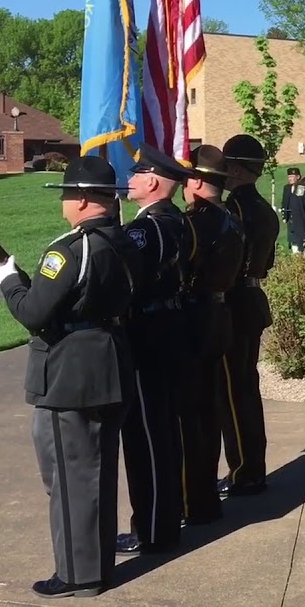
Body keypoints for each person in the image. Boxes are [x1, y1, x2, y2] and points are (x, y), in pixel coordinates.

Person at [0, 155, 141, 598]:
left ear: (79, 200)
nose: (64, 202)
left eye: (66, 194)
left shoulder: (68, 250)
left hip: (70, 375)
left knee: (68, 474)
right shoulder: (124, 242)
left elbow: (34, 312)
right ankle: (97, 564)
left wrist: (8, 281)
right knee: (96, 472)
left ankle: (78, 575)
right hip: (111, 362)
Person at [115, 148, 195, 558]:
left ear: (152, 181)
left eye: (136, 173)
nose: (129, 179)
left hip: (148, 331)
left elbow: (125, 276)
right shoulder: (175, 218)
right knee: (162, 430)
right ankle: (163, 520)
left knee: (147, 435)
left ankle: (152, 529)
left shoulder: (147, 227)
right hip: (168, 327)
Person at [179, 146, 245, 526]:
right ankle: (203, 499)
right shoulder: (230, 219)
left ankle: (194, 501)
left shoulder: (198, 222)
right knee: (207, 412)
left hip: (197, 317)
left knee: (193, 417)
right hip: (219, 315)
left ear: (198, 181)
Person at [218, 134, 282, 498]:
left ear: (238, 169)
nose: (223, 173)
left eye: (227, 166)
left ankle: (244, 470)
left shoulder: (235, 209)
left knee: (233, 393)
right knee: (245, 389)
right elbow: (267, 263)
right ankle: (251, 467)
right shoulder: (265, 210)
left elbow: (230, 260)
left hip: (235, 301)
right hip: (253, 298)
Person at [281, 167, 301, 249]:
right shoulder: (287, 188)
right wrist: (284, 215)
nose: (290, 179)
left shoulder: (301, 187)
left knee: (300, 238)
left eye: (292, 177)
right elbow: (285, 202)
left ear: (298, 177)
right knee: (292, 240)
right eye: (289, 177)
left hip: (300, 218)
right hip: (290, 218)